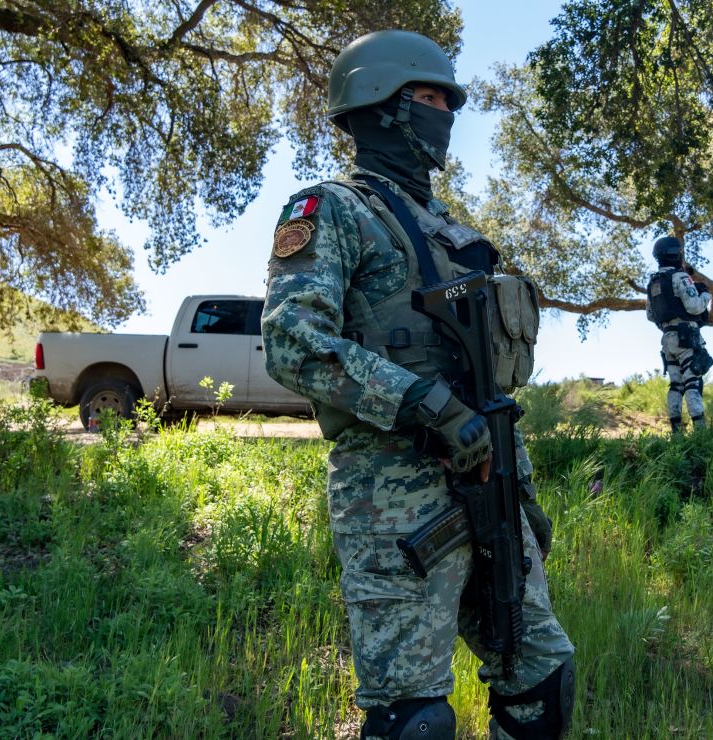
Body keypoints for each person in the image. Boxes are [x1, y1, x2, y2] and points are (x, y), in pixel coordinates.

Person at [260, 29, 575, 740]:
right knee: (413, 718)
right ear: (382, 106)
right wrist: (425, 404)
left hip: (489, 489)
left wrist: (520, 493)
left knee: (543, 680)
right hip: (394, 504)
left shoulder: (455, 234)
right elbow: (291, 341)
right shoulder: (331, 210)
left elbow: (487, 377)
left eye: (446, 101)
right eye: (430, 98)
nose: (445, 114)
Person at [645, 235, 713, 433]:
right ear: (675, 253)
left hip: (667, 340)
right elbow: (694, 307)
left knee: (675, 386)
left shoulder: (652, 283)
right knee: (692, 383)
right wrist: (705, 294)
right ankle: (701, 435)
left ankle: (677, 435)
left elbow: (650, 315)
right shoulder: (680, 277)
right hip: (686, 337)